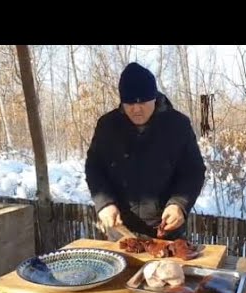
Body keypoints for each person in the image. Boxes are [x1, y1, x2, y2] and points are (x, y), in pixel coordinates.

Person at [85, 62, 206, 240]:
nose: (136, 109)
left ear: (154, 98)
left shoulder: (178, 125)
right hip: (120, 230)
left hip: (166, 231)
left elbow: (194, 171)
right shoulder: (107, 126)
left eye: (142, 102)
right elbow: (94, 167)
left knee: (167, 269)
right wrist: (104, 203)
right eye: (129, 102)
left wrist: (179, 204)